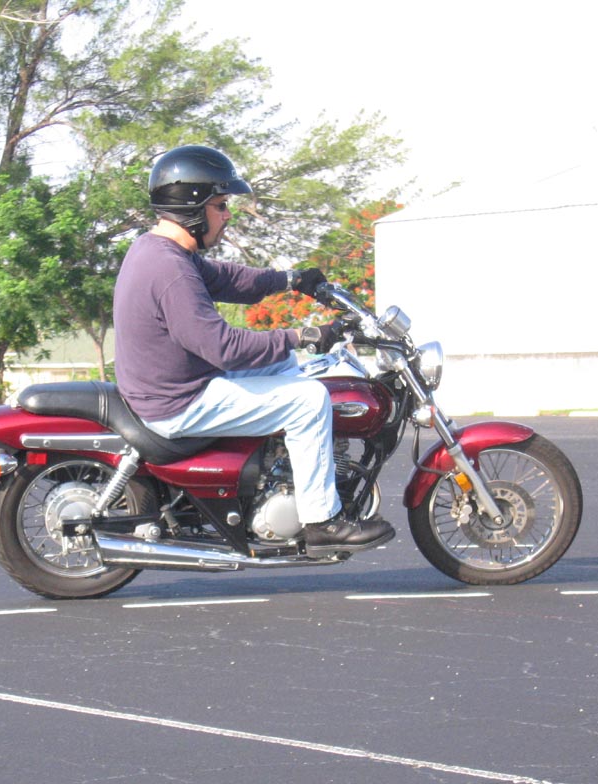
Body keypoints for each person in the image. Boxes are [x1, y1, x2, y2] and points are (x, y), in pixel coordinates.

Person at [112, 144, 394, 556]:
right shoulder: (170, 269)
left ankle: (282, 472)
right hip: (178, 402)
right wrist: (304, 335)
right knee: (309, 399)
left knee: (286, 365)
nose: (227, 215)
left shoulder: (158, 250)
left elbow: (229, 279)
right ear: (193, 207)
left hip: (175, 384)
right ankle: (322, 521)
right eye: (220, 205)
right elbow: (223, 347)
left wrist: (292, 280)